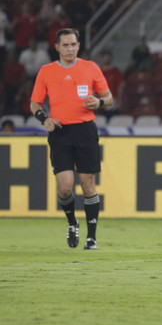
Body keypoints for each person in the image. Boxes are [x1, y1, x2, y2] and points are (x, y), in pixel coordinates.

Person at [30, 28, 113, 250]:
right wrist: (43, 119)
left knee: (88, 185)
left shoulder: (90, 67)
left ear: (78, 46)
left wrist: (100, 103)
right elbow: (35, 103)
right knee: (65, 188)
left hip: (85, 130)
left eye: (73, 44)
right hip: (60, 132)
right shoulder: (46, 71)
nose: (70, 49)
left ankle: (92, 237)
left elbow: (109, 98)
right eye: (65, 45)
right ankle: (72, 222)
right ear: (57, 47)